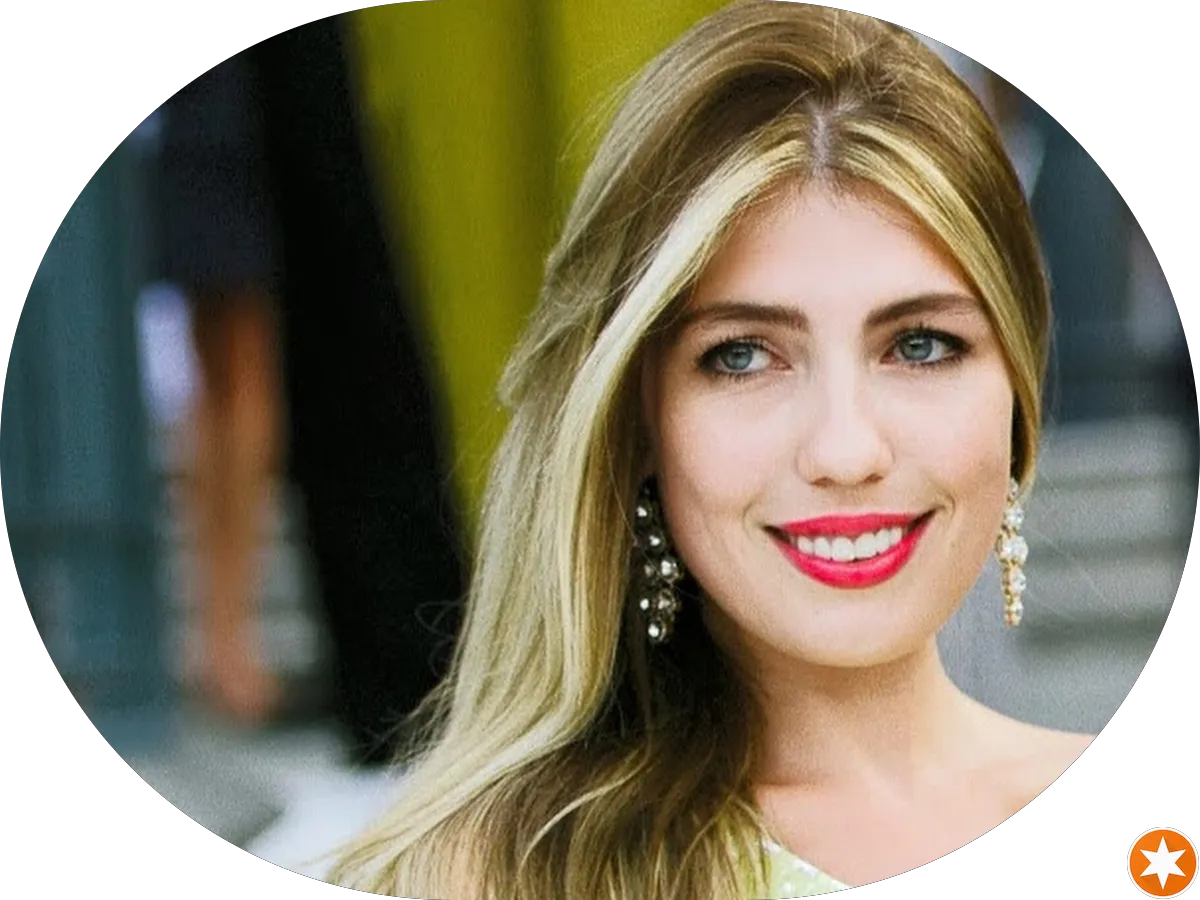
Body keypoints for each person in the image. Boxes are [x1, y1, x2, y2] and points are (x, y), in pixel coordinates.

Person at [324, 3, 1093, 896]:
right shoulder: (501, 872)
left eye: (920, 345)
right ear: (638, 420)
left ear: (1016, 391)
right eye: (742, 356)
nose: (846, 450)